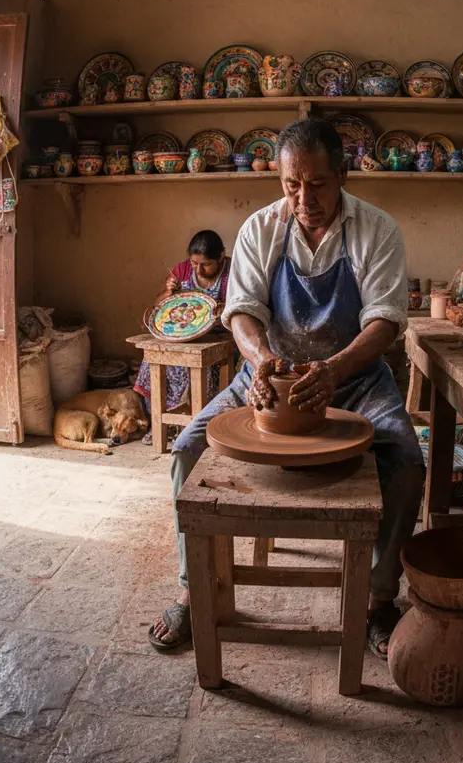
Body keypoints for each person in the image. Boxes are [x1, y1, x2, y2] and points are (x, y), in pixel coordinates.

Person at [149, 119, 424, 657]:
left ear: (342, 174)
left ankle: (378, 599)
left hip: (356, 379)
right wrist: (262, 360)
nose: (304, 198)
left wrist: (335, 370)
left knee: (407, 461)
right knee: (186, 450)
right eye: (291, 185)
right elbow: (242, 313)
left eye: (318, 184)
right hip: (270, 378)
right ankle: (190, 587)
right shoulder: (260, 229)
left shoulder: (376, 229)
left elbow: (386, 322)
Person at [133, 230, 231, 445]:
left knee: (205, 370)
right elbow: (160, 305)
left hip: (217, 339)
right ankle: (162, 426)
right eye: (194, 263)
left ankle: (196, 430)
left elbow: (242, 313)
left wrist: (227, 310)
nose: (198, 269)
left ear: (221, 256)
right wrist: (168, 292)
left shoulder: (232, 274)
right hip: (181, 336)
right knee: (151, 364)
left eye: (205, 264)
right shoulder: (182, 271)